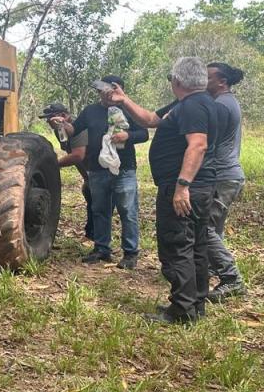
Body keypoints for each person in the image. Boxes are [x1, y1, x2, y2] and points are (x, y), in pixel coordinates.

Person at [107, 57, 217, 324]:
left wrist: (182, 186)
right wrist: (124, 100)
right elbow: (149, 119)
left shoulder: (193, 106)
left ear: (177, 81)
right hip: (197, 187)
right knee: (196, 246)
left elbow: (198, 145)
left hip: (184, 188)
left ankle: (182, 310)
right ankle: (194, 304)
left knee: (177, 246)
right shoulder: (188, 104)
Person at [69, 76, 148, 269]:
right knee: (100, 210)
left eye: (107, 91)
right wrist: (62, 125)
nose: (103, 95)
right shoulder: (90, 111)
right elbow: (74, 130)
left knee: (127, 210)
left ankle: (130, 253)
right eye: (101, 91)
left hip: (124, 168)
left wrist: (127, 135)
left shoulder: (128, 109)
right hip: (97, 169)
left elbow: (144, 133)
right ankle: (101, 248)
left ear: (118, 91)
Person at [205, 62, 247, 301]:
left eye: (208, 77)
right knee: (215, 227)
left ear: (222, 81)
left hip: (223, 176)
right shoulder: (227, 101)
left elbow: (206, 141)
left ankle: (232, 279)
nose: (204, 80)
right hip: (227, 175)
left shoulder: (221, 105)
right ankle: (211, 268)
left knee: (205, 227)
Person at [42, 103, 93, 240]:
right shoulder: (59, 130)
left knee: (96, 198)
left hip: (98, 168)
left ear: (63, 116)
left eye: (51, 118)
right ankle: (92, 233)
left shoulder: (77, 126)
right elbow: (70, 150)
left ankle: (96, 235)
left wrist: (53, 165)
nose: (48, 122)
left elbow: (77, 155)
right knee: (89, 193)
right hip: (87, 171)